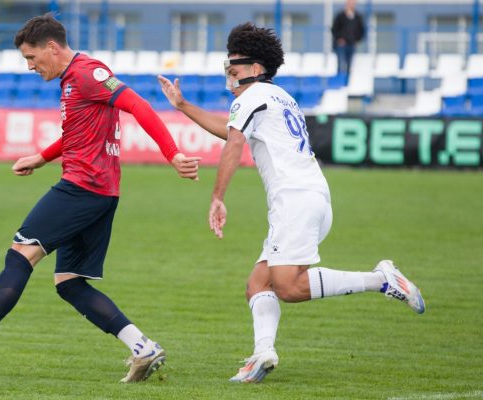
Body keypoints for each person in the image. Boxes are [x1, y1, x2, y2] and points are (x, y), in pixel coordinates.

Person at [0, 13, 201, 383]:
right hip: (101, 192)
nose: (30, 67)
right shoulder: (73, 80)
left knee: (20, 255)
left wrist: (172, 153)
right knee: (69, 282)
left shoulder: (87, 73)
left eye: (32, 58)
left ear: (52, 47)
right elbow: (80, 131)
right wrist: (42, 157)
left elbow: (139, 106)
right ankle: (142, 347)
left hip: (83, 187)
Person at [157, 22, 424, 384]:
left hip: (295, 199)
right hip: (310, 197)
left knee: (288, 287)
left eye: (234, 68)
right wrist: (183, 105)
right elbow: (231, 130)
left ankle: (380, 279)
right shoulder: (278, 96)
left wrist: (217, 197)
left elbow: (234, 144)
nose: (229, 75)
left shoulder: (251, 96)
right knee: (258, 284)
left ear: (255, 69)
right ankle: (263, 353)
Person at [331, 0, 365, 77]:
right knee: (341, 64)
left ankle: (347, 83)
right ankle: (339, 83)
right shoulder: (340, 16)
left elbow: (361, 30)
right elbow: (334, 29)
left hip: (352, 44)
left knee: (349, 65)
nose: (351, 5)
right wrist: (339, 38)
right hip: (341, 45)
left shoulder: (357, 17)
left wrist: (357, 40)